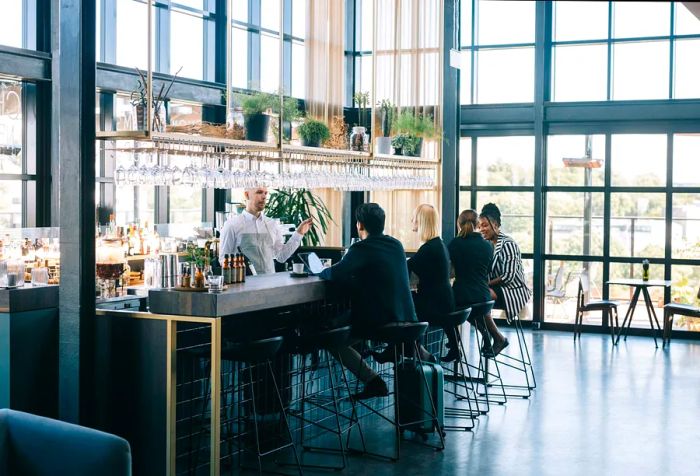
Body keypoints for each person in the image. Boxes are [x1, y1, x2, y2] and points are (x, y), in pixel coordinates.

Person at [319, 203, 417, 400]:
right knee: (341, 326)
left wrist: (319, 271)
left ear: (359, 225)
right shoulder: (396, 244)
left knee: (332, 340)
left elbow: (335, 273)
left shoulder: (361, 248)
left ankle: (373, 381)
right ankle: (423, 360)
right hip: (408, 318)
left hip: (381, 322)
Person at [448, 209, 508, 357]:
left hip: (463, 296)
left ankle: (455, 346)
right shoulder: (487, 245)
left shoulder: (454, 244)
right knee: (473, 311)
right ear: (477, 225)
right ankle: (488, 336)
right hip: (483, 297)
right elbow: (487, 270)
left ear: (459, 224)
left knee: (447, 308)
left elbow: (450, 271)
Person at [219, 186, 313, 274]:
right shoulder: (231, 225)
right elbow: (223, 260)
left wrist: (299, 233)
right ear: (247, 195)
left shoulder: (272, 224)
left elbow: (281, 256)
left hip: (270, 284)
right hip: (245, 286)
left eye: (266, 193)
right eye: (259, 192)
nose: (264, 196)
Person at [478, 203, 532, 356]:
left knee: (480, 297)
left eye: (485, 225)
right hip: (495, 289)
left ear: (495, 225)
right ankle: (486, 333)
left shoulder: (508, 244)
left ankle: (499, 338)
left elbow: (508, 276)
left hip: (513, 290)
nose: (481, 229)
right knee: (469, 298)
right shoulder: (487, 244)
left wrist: (483, 284)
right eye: (479, 226)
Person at [405, 204, 456, 362]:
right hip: (445, 303)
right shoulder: (438, 245)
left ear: (421, 221)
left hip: (434, 306)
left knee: (402, 308)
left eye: (414, 218)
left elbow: (407, 267)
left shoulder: (428, 249)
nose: (411, 220)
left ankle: (409, 351)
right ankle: (408, 349)